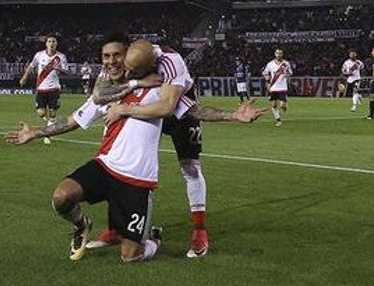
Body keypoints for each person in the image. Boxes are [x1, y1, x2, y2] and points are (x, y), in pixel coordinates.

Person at [6, 34, 265, 262]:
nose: (113, 64)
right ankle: (91, 226)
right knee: (61, 197)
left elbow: (190, 109)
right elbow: (77, 117)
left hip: (137, 178)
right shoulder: (113, 86)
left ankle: (172, 235)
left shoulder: (164, 80)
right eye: (107, 57)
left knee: (189, 169)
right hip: (106, 166)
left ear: (133, 59)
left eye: (117, 57)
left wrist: (233, 115)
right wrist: (36, 132)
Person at [100, 40, 266, 258]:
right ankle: (118, 226)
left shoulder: (171, 63)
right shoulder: (123, 58)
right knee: (124, 162)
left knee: (190, 168)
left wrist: (232, 115)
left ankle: (199, 230)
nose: (127, 72)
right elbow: (99, 94)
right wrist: (132, 87)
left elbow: (176, 108)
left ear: (150, 64)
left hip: (178, 111)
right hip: (143, 108)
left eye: (134, 71)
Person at [19, 35, 69, 127]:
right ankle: (50, 122)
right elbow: (31, 66)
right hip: (41, 87)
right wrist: (24, 77)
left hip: (54, 88)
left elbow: (67, 71)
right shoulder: (39, 55)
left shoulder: (61, 57)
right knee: (41, 113)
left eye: (54, 41)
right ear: (46, 44)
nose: (51, 43)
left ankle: (49, 128)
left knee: (52, 112)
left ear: (57, 44)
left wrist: (58, 68)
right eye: (49, 41)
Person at [262, 48, 293, 127]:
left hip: (282, 87)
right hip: (273, 87)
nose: (278, 55)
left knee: (282, 105)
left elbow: (290, 72)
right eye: (277, 53)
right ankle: (278, 120)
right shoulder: (270, 64)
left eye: (280, 53)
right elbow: (265, 72)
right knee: (274, 105)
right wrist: (266, 77)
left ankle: (285, 107)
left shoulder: (286, 63)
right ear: (275, 54)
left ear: (282, 54)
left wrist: (286, 74)